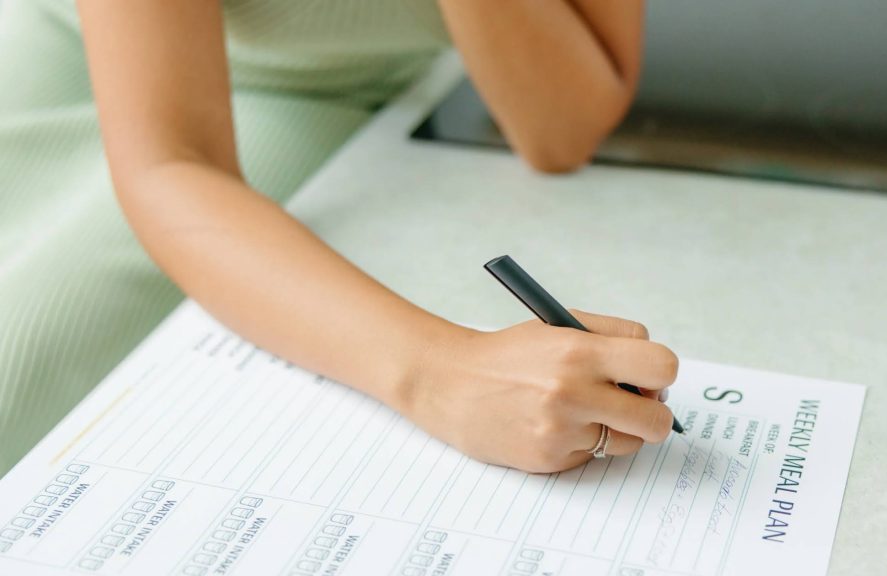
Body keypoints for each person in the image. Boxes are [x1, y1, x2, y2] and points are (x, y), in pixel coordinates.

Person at [0, 0, 678, 476]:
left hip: (311, 103)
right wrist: (437, 374)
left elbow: (559, 127)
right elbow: (170, 160)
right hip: (63, 73)